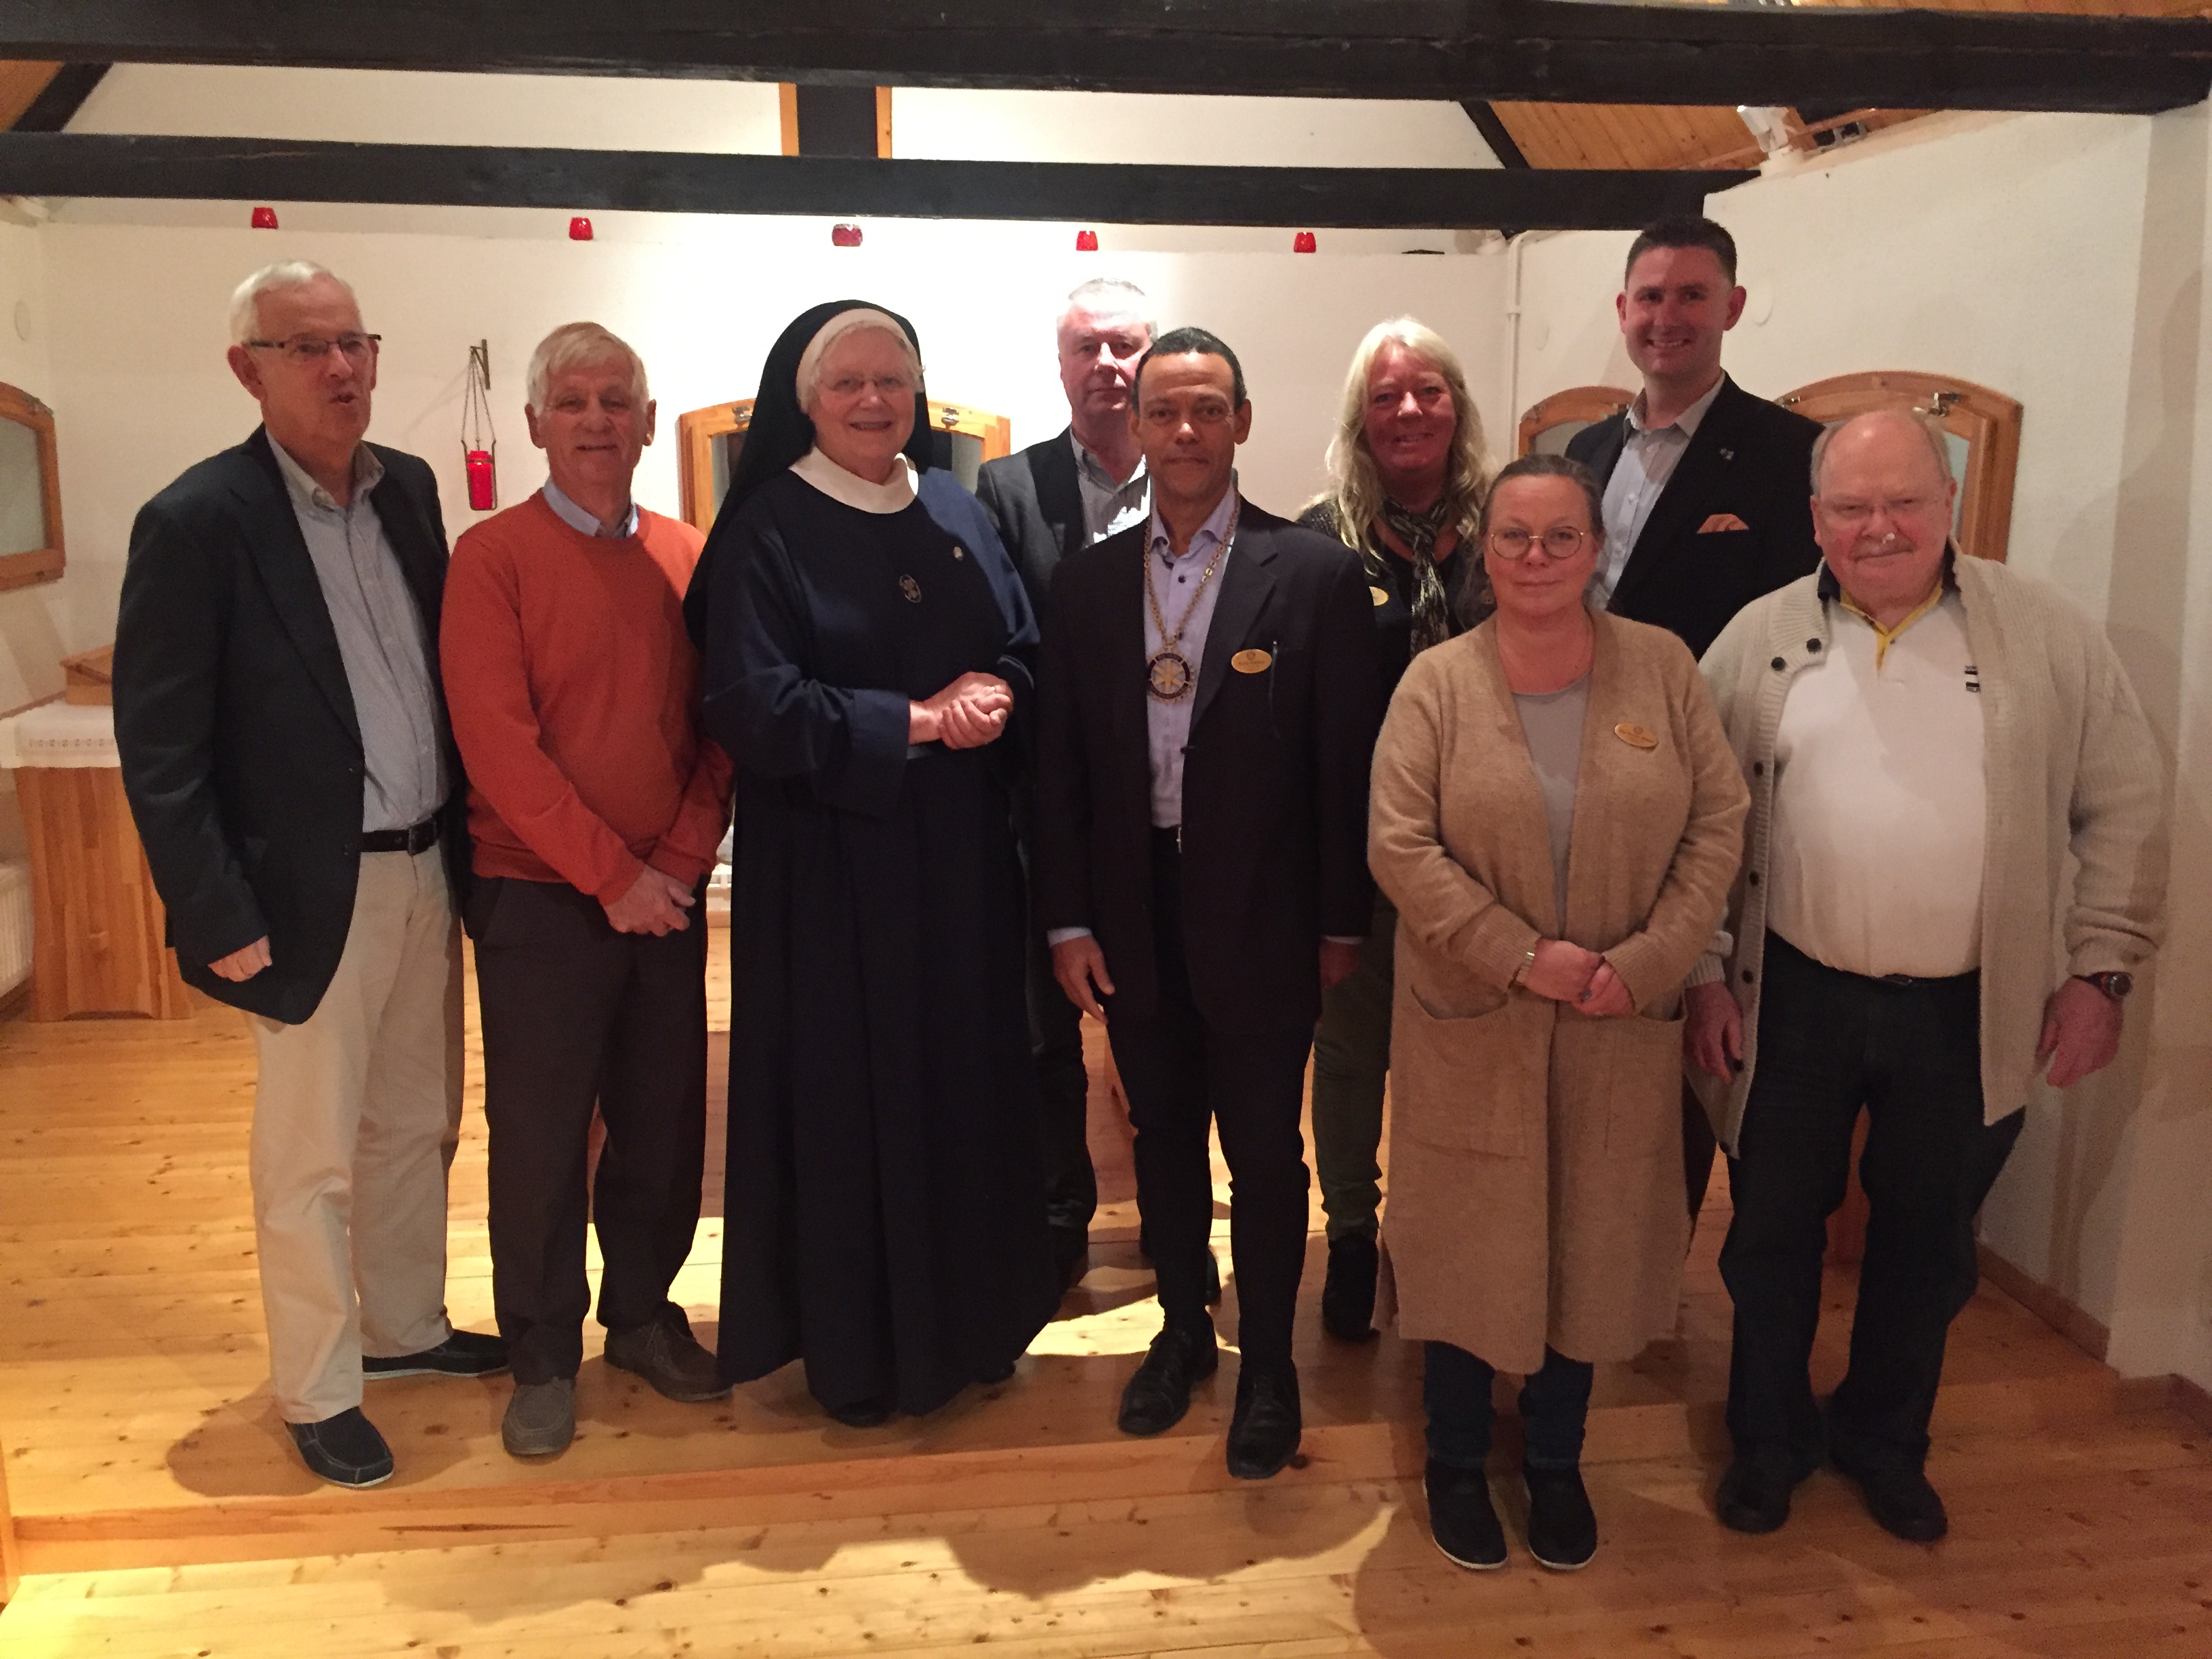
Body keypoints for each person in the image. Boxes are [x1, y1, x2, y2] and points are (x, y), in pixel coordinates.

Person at [1691, 409, 2167, 1543]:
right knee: (1769, 1238)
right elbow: (1699, 822)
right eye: (1852, 507)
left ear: (1949, 504)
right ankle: (1769, 1442)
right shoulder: (1755, 638)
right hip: (1791, 996)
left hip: (1969, 1007)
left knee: (1929, 1247)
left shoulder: (2042, 633)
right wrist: (1705, 971)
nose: (1881, 528)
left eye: (1905, 501)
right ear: (1817, 519)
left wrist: (2100, 971)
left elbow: (2126, 800)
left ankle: (1883, 1440)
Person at [112, 261, 504, 1490]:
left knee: (416, 1122)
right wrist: (212, 908)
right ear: (249, 370)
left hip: (428, 866)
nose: (341, 368)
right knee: (310, 1157)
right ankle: (322, 1387)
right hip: (302, 896)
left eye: (354, 343)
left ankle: (405, 1327)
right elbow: (161, 748)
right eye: (307, 347)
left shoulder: (411, 492)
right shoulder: (197, 521)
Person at [1369, 451, 1747, 1572]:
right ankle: (1452, 1457)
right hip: (1472, 1017)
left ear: (1597, 549)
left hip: (1617, 1016)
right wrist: (1520, 955)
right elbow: (1399, 845)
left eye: (1561, 536)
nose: (1537, 557)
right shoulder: (1437, 683)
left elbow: (1718, 824)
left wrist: (1653, 961)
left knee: (1592, 1234)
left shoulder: (1663, 669)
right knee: (1464, 1236)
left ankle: (1554, 1459)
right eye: (1515, 537)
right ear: (1484, 553)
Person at [691, 300, 1059, 1427]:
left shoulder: (951, 505)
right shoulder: (766, 528)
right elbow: (753, 704)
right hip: (834, 877)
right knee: (855, 1101)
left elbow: (1021, 643)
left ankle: (973, 1328)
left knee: (965, 1089)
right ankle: (860, 1354)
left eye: (891, 380)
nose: (872, 400)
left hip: (963, 870)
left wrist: (1001, 691)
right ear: (804, 401)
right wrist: (917, 720)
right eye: (847, 382)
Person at [1034, 327, 1382, 1480]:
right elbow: (1060, 769)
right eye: (1164, 411)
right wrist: (1068, 920)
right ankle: (1183, 1330)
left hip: (1268, 916)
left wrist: (1341, 922)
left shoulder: (1315, 574)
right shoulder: (1088, 583)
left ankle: (1270, 1364)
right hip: (1131, 909)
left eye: (1207, 410)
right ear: (1134, 426)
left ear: (1242, 422)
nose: (1185, 431)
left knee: (1268, 1154)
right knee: (1163, 1136)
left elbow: (1345, 767)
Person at [441, 323, 733, 1459]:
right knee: (541, 1137)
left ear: (650, 423)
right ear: (534, 424)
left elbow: (721, 728)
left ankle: (644, 1318)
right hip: (538, 899)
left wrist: (677, 864)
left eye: (618, 401)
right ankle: (543, 1354)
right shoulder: (492, 559)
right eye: (573, 402)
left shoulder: (689, 556)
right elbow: (498, 747)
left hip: (664, 896)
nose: (597, 420)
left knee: (663, 1123)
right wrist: (614, 878)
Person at [1565, 213, 1823, 1225]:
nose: (1666, 316)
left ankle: (1652, 1259)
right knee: (1599, 1021)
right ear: (1623, 310)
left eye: (1691, 296)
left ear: (1733, 307)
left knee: (1690, 1038)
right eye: (1650, 296)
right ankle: (1589, 1239)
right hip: (1583, 777)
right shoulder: (1587, 449)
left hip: (1710, 777)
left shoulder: (1789, 455)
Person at [1296, 316, 1496, 1343]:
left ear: (1457, 407)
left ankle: (1437, 1234)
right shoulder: (1315, 540)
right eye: (1385, 397)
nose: (1409, 411)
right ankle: (1351, 1233)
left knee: (1464, 1057)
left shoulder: (1511, 527)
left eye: (1428, 391)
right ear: (1359, 420)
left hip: (1489, 857)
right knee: (1350, 1052)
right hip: (1358, 849)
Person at [976, 278, 1155, 1287]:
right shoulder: (1007, 490)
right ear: (1060, 367)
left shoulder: (1192, 476)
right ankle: (1057, 1223)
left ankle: (1172, 1213)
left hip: (1165, 806)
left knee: (1158, 1027)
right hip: (1041, 805)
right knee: (1042, 1034)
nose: (1107, 366)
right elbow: (996, 638)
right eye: (1087, 348)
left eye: (1124, 346)